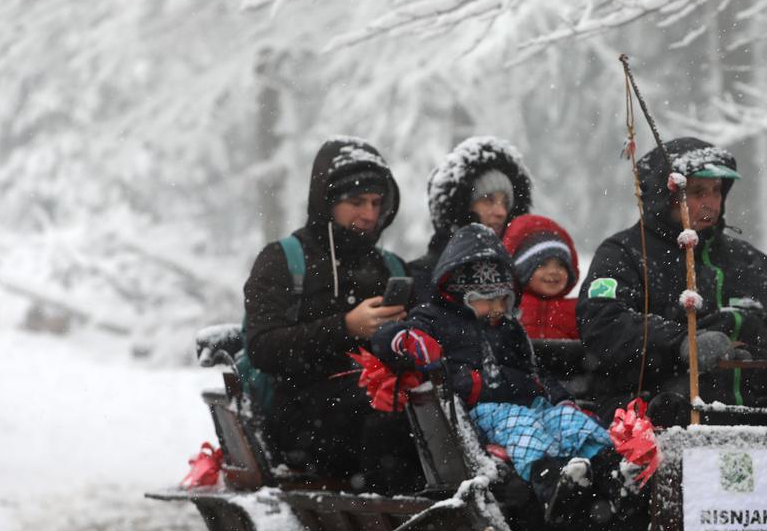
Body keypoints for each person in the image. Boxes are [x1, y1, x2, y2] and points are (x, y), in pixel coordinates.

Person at [577, 136, 767, 429]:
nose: (711, 203)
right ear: (665, 196)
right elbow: (603, 323)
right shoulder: (625, 254)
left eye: (716, 190)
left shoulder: (752, 262)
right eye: (698, 192)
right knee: (675, 409)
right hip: (668, 407)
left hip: (766, 410)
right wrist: (682, 343)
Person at [372, 223, 624, 508]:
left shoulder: (509, 329)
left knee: (571, 422)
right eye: (485, 300)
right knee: (522, 427)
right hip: (477, 411)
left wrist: (561, 400)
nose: (496, 309)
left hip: (527, 403)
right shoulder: (435, 319)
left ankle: (609, 470)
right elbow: (386, 337)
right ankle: (549, 481)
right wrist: (408, 341)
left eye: (502, 300)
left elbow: (534, 372)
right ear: (458, 295)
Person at [242, 137, 424, 491]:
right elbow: (262, 347)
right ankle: (397, 514)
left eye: (376, 203)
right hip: (300, 421)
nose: (369, 215)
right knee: (387, 419)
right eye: (356, 202)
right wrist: (346, 327)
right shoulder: (282, 260)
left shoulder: (391, 267)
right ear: (327, 202)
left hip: (380, 405)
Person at [419, 136, 533, 276]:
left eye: (506, 203)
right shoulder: (421, 276)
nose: (502, 212)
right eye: (489, 200)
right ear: (463, 206)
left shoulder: (520, 275)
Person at [504, 214, 581, 341]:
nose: (553, 271)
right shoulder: (508, 305)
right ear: (523, 271)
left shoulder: (578, 311)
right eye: (542, 264)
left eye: (561, 265)